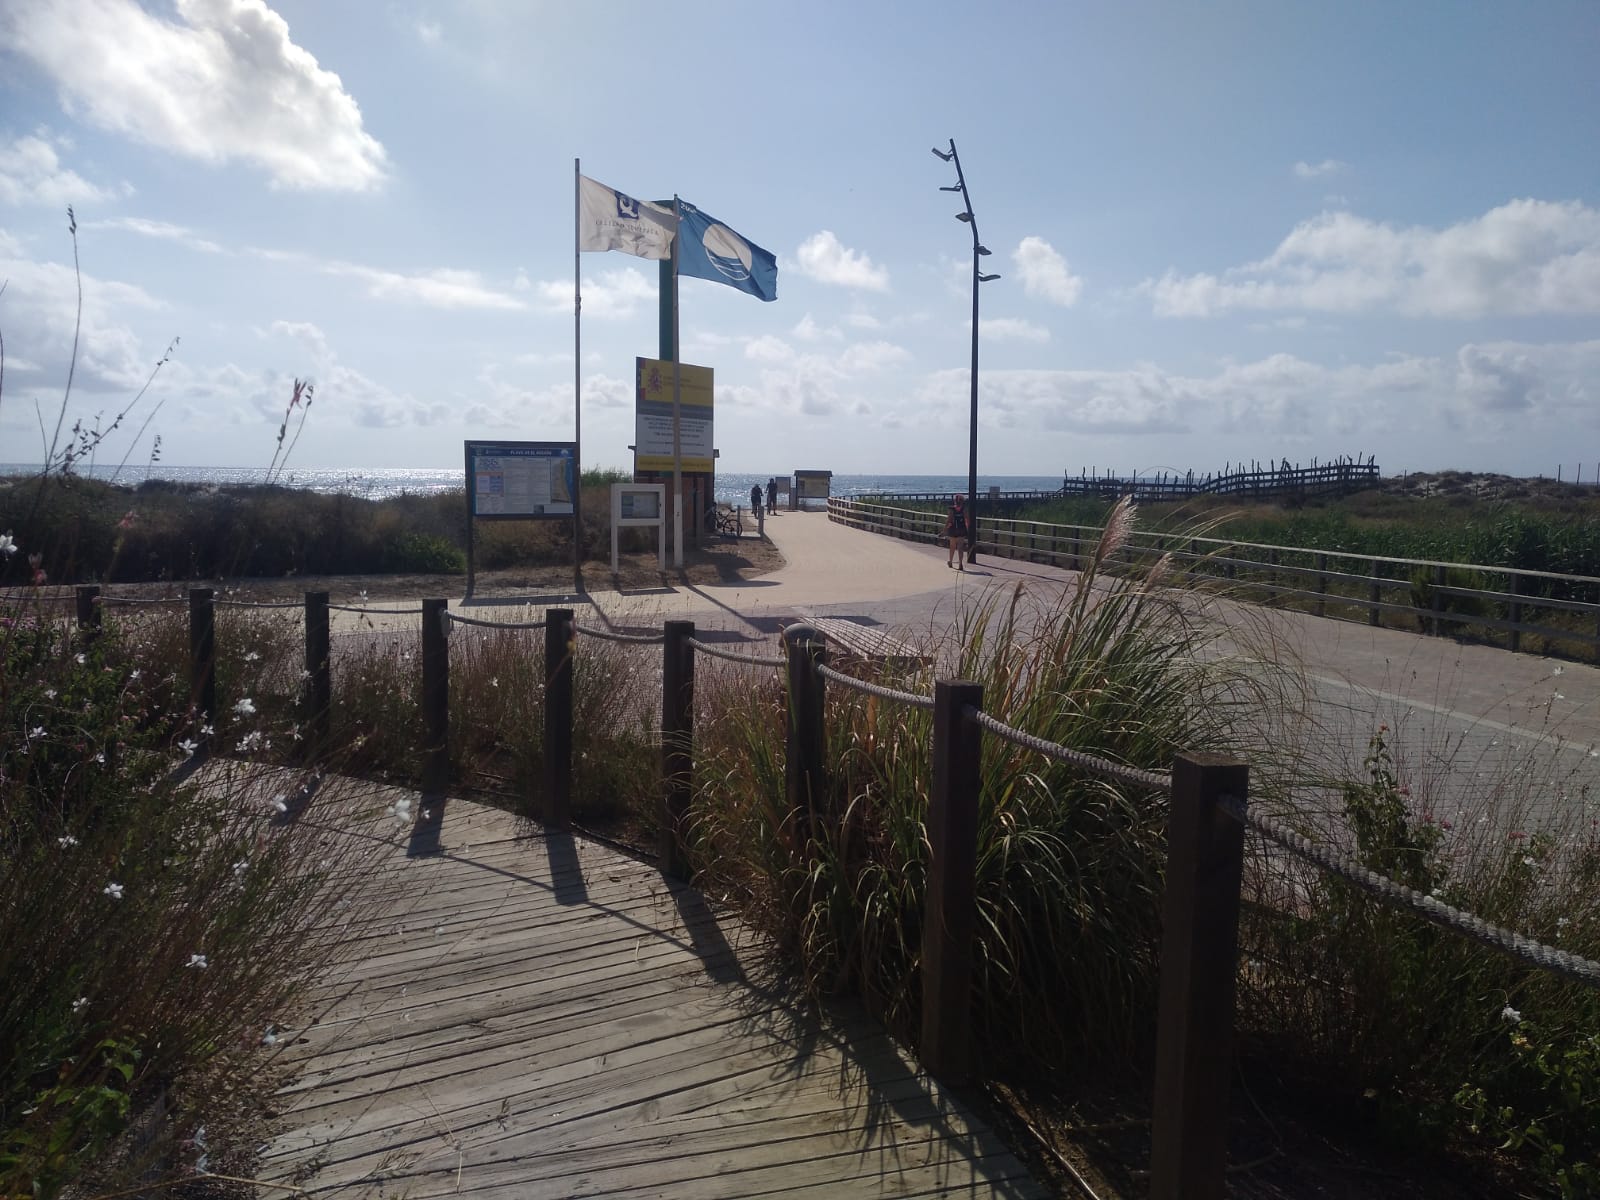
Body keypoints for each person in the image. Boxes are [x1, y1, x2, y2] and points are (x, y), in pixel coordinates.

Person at [943, 494, 967, 570]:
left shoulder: (952, 509)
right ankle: (960, 563)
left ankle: (950, 561)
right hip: (962, 529)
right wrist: (967, 529)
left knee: (952, 546)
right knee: (960, 547)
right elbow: (967, 520)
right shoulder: (964, 509)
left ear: (955, 501)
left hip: (953, 530)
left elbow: (949, 520)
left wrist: (944, 530)